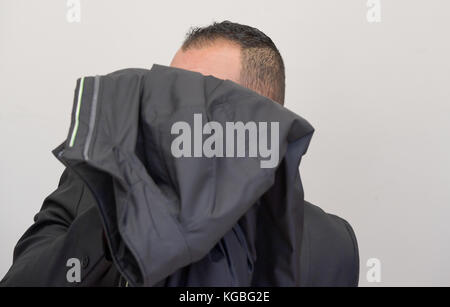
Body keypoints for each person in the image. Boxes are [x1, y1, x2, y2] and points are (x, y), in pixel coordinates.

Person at [1, 21, 359, 287]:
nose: (172, 116)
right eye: (169, 95)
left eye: (200, 98)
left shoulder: (329, 242)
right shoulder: (90, 187)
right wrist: (119, 215)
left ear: (261, 119)